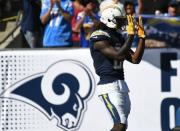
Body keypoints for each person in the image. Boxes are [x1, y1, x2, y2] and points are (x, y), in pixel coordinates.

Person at [89, 2, 146, 131]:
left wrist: (142, 38)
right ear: (110, 20)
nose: (123, 23)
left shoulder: (117, 36)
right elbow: (118, 56)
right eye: (120, 20)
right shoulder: (98, 36)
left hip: (121, 84)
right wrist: (131, 36)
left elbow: (135, 59)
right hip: (108, 86)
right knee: (119, 125)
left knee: (122, 126)